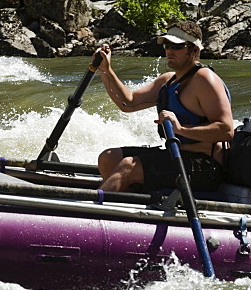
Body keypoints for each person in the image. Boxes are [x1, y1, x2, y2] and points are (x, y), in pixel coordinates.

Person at [95, 21, 234, 193]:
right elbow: (127, 103)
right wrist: (105, 70)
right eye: (167, 45)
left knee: (128, 166)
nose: (169, 51)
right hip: (176, 156)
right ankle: (126, 202)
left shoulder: (205, 79)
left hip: (206, 167)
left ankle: (97, 210)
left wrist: (181, 129)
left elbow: (226, 130)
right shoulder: (169, 80)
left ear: (194, 50)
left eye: (177, 46)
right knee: (108, 158)